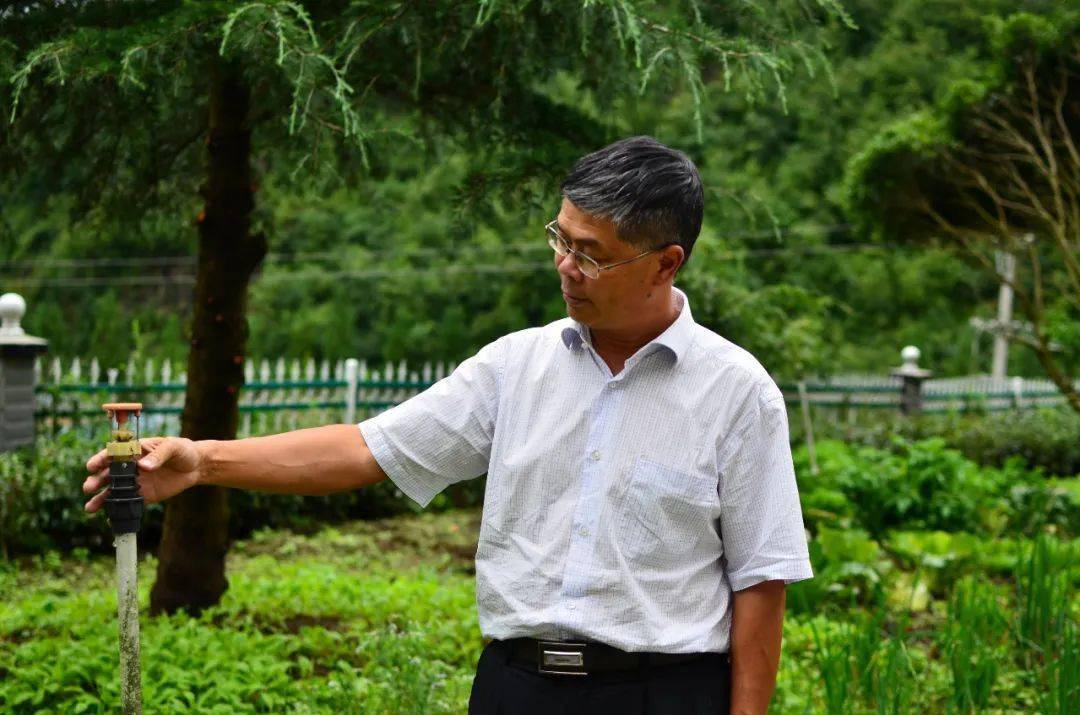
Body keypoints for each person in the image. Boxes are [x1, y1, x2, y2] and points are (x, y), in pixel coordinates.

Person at [83, 136, 813, 714]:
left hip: (664, 693)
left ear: (666, 263)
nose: (566, 266)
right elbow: (366, 447)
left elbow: (761, 582)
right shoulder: (514, 368)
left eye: (590, 254)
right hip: (515, 690)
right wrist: (203, 461)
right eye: (559, 239)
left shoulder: (737, 393)